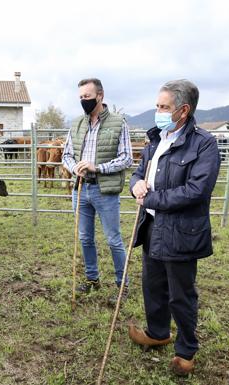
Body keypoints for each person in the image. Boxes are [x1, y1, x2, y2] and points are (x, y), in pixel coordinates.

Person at [128, 79, 220, 376]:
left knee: (180, 293)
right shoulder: (156, 138)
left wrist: (151, 196)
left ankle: (186, 350)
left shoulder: (203, 143)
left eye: (164, 107)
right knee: (152, 284)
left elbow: (196, 191)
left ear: (183, 110)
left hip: (182, 230)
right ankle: (157, 332)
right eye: (157, 106)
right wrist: (136, 185)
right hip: (153, 223)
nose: (158, 111)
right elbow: (139, 173)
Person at [62, 78, 133, 304]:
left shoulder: (118, 123)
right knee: (84, 237)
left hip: (105, 191)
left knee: (113, 239)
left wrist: (98, 167)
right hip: (81, 189)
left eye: (87, 97)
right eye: (81, 97)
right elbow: (66, 155)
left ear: (100, 96)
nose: (84, 101)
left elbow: (126, 158)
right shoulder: (76, 124)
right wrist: (75, 168)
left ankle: (122, 284)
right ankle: (92, 279)